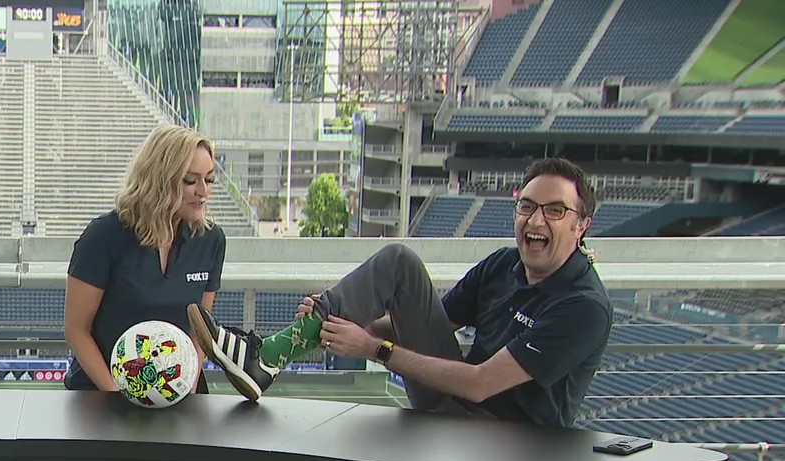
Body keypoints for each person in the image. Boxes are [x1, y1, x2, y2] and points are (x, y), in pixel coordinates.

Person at [188, 157, 613, 429]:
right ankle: (270, 355)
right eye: (527, 206)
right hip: (457, 411)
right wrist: (337, 325)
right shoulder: (504, 264)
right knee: (400, 262)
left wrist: (374, 348)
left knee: (397, 269)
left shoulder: (583, 306)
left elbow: (481, 384)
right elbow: (424, 321)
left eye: (555, 211)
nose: (536, 220)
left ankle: (266, 358)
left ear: (582, 224)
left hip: (502, 439)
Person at [63, 125, 227, 393]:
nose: (203, 191)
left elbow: (200, 331)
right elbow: (76, 330)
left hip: (176, 397)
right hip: (101, 397)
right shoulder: (103, 236)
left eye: (208, 180)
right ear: (161, 178)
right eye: (190, 180)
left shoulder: (211, 241)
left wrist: (184, 387)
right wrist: (116, 395)